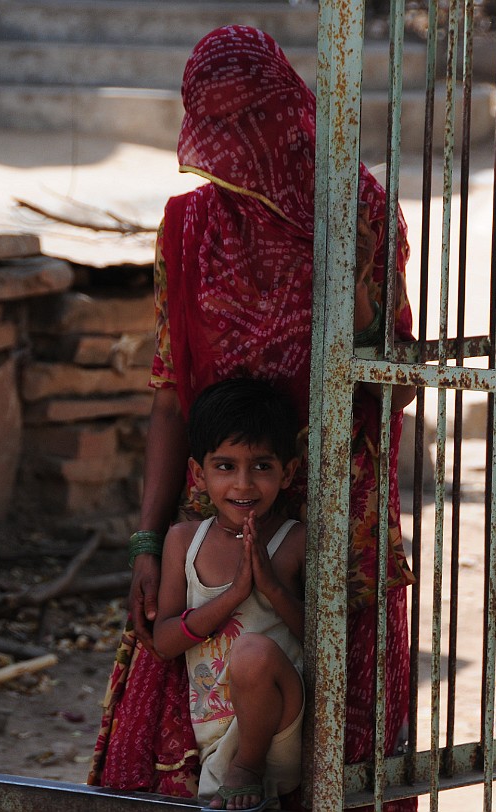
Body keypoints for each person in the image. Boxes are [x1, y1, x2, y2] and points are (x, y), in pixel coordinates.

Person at [88, 24, 418, 812]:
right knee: (197, 733)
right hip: (215, 520)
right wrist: (147, 540)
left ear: (289, 113)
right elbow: (170, 396)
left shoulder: (360, 209)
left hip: (339, 513)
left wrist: (351, 271)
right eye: (221, 130)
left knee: (339, 734)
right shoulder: (189, 226)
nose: (239, 150)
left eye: (252, 125)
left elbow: (395, 376)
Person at [155, 377, 305, 811]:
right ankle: (241, 768)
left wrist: (271, 586)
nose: (243, 485)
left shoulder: (294, 541)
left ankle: (249, 767)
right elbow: (164, 641)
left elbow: (323, 641)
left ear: (288, 472)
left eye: (261, 466)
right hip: (214, 729)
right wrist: (235, 594)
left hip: (279, 725)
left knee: (253, 653)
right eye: (225, 467)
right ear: (199, 475)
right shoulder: (185, 541)